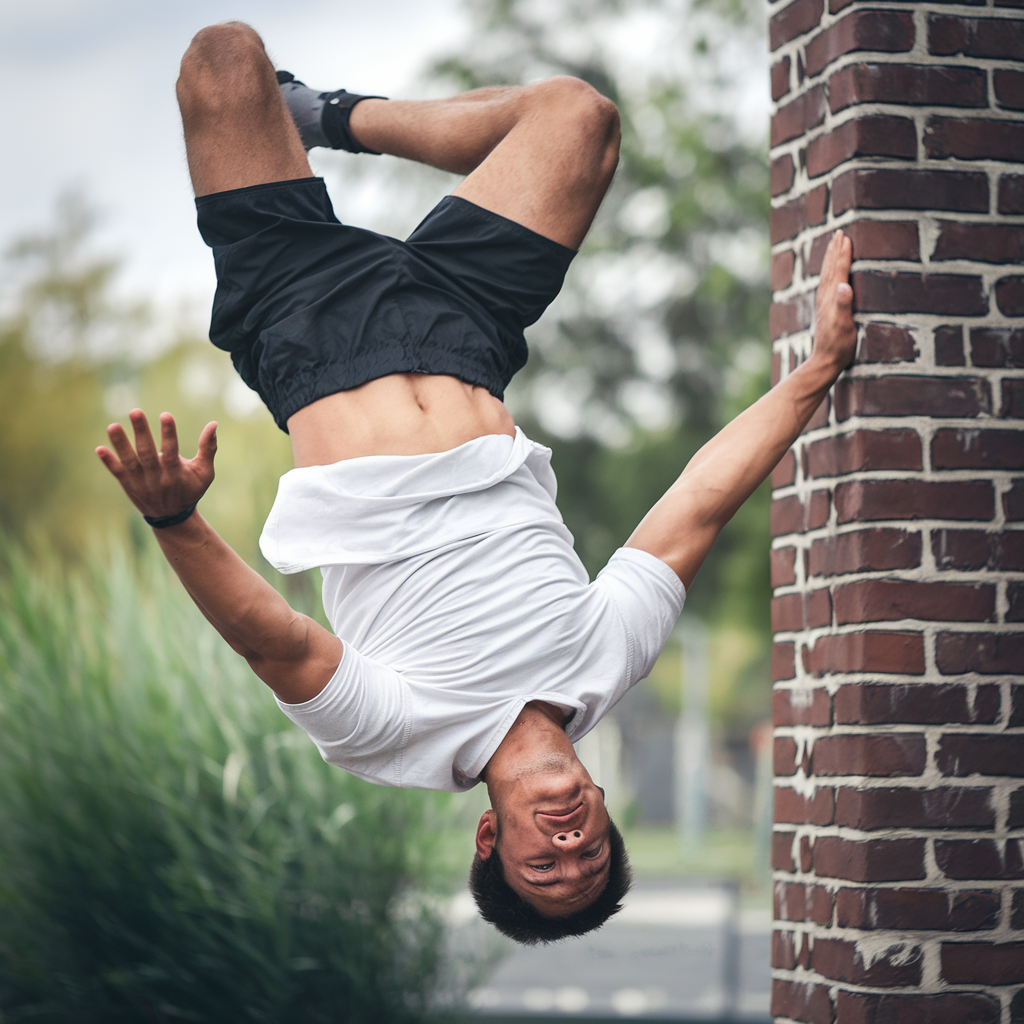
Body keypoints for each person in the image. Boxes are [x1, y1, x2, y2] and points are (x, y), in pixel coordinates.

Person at [96, 21, 856, 945]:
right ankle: (328, 117)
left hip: (305, 328)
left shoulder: (400, 741)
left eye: (546, 864)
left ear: (489, 836)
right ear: (608, 808)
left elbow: (279, 645)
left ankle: (286, 106)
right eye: (592, 854)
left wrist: (177, 522)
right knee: (579, 118)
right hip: (467, 329)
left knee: (221, 63)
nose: (572, 846)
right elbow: (699, 502)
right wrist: (817, 371)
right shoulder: (607, 660)